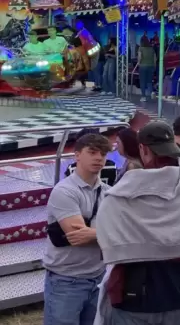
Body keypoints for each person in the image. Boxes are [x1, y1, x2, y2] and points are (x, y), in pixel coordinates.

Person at [95, 122, 180, 324]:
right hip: (179, 293)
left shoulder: (121, 194)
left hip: (134, 296)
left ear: (143, 149)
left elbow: (106, 246)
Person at [42, 133, 111, 325]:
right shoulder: (64, 191)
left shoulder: (107, 191)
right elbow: (78, 237)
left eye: (103, 153)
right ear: (77, 155)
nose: (99, 157)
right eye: (92, 152)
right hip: (67, 280)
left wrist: (99, 233)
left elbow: (124, 228)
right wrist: (114, 233)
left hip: (97, 275)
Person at [137, 35, 156, 102]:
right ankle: (151, 92)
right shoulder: (151, 49)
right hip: (151, 66)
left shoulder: (141, 48)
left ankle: (143, 97)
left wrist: (138, 63)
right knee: (149, 81)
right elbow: (154, 58)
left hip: (143, 66)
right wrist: (154, 66)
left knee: (142, 81)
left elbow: (140, 57)